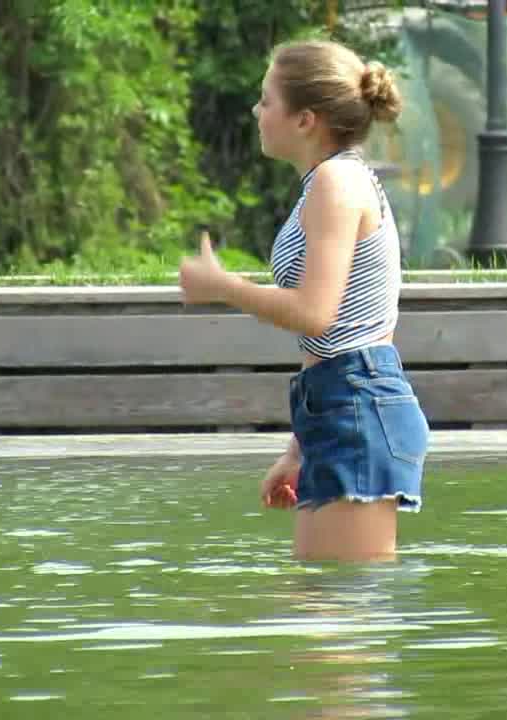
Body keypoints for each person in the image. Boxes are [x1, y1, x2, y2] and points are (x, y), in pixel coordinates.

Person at [178, 40, 429, 563]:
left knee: (339, 600)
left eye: (266, 100)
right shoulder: (329, 181)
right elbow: (333, 338)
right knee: (323, 596)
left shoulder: (336, 183)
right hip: (339, 405)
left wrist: (223, 287)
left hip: (358, 407)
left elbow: (316, 314)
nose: (257, 111)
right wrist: (298, 447)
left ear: (305, 120)